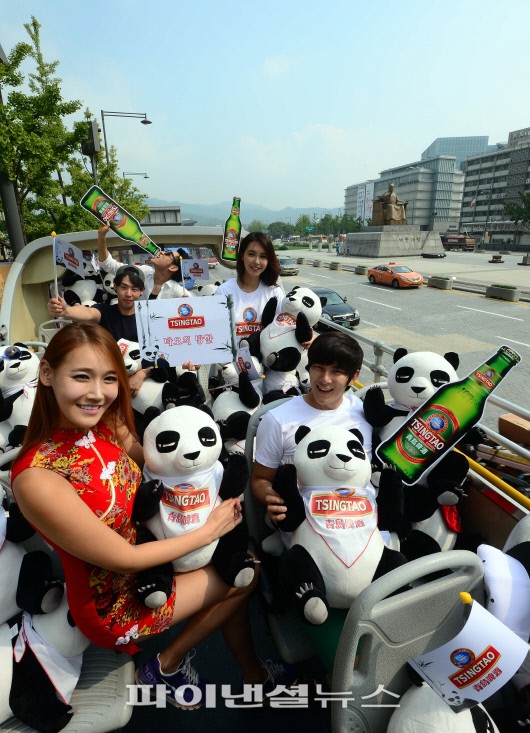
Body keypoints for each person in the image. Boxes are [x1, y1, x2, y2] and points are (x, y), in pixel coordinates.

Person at [10, 323, 290, 709]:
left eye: (109, 378)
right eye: (81, 377)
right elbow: (122, 559)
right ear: (46, 374)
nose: (97, 393)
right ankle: (165, 665)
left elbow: (147, 456)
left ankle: (252, 674)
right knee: (248, 573)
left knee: (235, 570)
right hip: (117, 602)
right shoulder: (37, 477)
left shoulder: (104, 422)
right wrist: (209, 531)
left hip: (156, 548)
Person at [252, 331, 372, 523]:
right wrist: (270, 498)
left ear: (353, 376)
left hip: (362, 522)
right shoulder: (278, 419)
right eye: (319, 368)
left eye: (336, 372)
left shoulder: (364, 414)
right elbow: (260, 478)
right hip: (306, 526)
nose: (325, 379)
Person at [47, 266, 152, 397]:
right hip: (108, 382)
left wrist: (142, 374)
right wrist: (66, 311)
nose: (128, 293)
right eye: (124, 287)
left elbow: (162, 357)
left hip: (145, 384)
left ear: (142, 291)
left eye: (134, 289)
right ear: (115, 287)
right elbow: (89, 313)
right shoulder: (104, 311)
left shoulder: (150, 317)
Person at [216, 232, 284, 342]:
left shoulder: (275, 293)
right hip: (232, 359)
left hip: (266, 359)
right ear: (242, 255)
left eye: (263, 256)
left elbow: (286, 329)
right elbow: (214, 331)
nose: (257, 262)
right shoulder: (224, 291)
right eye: (251, 254)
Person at [96, 224, 191, 299]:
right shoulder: (143, 272)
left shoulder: (178, 291)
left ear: (173, 267)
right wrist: (101, 236)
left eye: (167, 254)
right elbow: (108, 264)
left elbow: (198, 309)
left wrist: (188, 304)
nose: (161, 252)